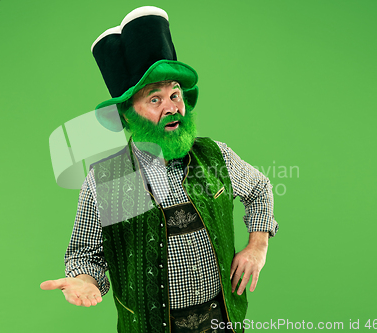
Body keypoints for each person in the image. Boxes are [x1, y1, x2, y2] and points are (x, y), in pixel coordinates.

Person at [41, 6, 278, 333]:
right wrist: (85, 281)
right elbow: (85, 254)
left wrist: (257, 246)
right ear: (128, 114)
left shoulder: (214, 156)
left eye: (175, 94)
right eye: (155, 99)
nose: (172, 107)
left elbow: (260, 189)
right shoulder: (108, 180)